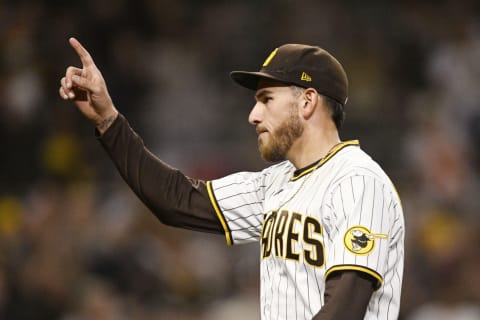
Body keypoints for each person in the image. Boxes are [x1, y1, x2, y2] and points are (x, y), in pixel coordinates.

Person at [59, 37, 405, 320]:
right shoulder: (275, 183)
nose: (253, 115)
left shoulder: (358, 182)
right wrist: (108, 119)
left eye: (266, 99)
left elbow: (345, 310)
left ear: (308, 101)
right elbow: (177, 201)